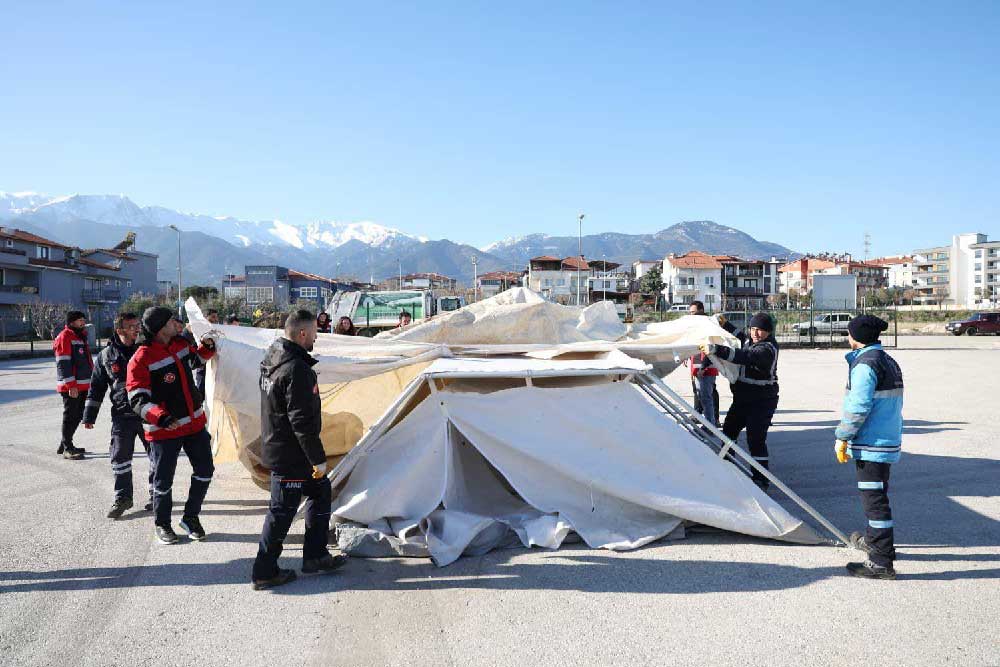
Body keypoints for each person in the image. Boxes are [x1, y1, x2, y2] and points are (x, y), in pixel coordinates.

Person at [252, 309, 347, 590]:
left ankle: (316, 556)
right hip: (291, 455)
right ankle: (264, 571)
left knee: (320, 490)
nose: (317, 337)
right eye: (315, 332)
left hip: (282, 447)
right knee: (281, 511)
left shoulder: (273, 358)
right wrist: (317, 459)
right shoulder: (297, 370)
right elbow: (301, 422)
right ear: (303, 333)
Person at [127, 307, 216, 545]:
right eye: (170, 321)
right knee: (163, 480)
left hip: (194, 424)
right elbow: (137, 399)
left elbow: (196, 360)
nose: (176, 323)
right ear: (159, 328)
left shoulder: (180, 344)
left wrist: (207, 348)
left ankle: (190, 518)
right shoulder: (141, 358)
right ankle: (162, 524)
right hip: (164, 431)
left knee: (206, 470)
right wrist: (161, 417)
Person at [835, 315, 903, 580]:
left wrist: (842, 436)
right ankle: (876, 543)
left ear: (856, 336)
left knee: (875, 503)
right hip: (885, 441)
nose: (847, 337)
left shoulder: (865, 364)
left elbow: (859, 406)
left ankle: (881, 562)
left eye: (848, 333)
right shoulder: (887, 360)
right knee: (878, 496)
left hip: (871, 444)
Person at [82, 312, 154, 518]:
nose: (137, 329)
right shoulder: (106, 356)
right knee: (119, 457)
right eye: (131, 326)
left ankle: (157, 495)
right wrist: (89, 415)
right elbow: (96, 387)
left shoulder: (146, 349)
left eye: (137, 325)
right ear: (119, 330)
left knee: (157, 456)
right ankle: (123, 498)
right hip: (122, 416)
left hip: (149, 414)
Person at [700, 312, 779, 490]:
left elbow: (744, 357)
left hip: (762, 400)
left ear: (768, 332)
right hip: (743, 397)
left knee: (756, 440)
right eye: (753, 329)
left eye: (760, 330)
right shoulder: (751, 340)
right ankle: (727, 469)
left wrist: (716, 350)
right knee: (728, 432)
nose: (755, 333)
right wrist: (724, 323)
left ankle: (760, 479)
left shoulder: (767, 349)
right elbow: (740, 335)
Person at [54, 310, 93, 460]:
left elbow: (86, 361)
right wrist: (71, 385)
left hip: (83, 384)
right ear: (71, 322)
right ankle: (67, 447)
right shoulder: (65, 336)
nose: (83, 322)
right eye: (79, 320)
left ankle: (65, 443)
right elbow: (63, 363)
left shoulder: (80, 335)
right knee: (71, 416)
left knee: (78, 415)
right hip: (72, 386)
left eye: (83, 319)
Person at [686, 301, 719, 427]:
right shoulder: (697, 325)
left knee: (707, 396)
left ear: (701, 310)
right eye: (690, 313)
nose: (691, 315)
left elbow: (711, 347)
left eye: (693, 312)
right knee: (701, 395)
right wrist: (687, 354)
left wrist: (703, 367)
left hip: (706, 367)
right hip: (698, 365)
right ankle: (707, 421)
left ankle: (711, 424)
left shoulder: (708, 325)